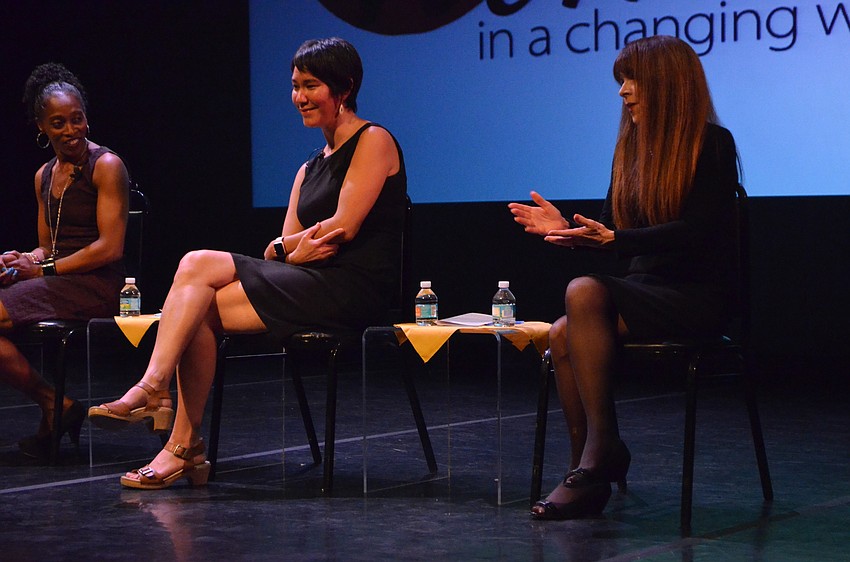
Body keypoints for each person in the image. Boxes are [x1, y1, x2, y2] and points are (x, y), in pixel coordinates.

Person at [88, 37, 408, 489]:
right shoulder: (308, 168)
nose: (299, 96)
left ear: (345, 87)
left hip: (352, 289)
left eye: (311, 85)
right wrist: (289, 250)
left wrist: (287, 248)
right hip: (306, 281)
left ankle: (153, 390)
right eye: (295, 86)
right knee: (195, 310)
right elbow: (277, 248)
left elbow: (342, 229)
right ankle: (183, 445)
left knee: (197, 263)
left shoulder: (373, 140)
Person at [508, 35, 740, 520]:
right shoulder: (630, 152)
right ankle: (586, 468)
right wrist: (570, 230)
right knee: (562, 332)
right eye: (621, 82)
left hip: (695, 296)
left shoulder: (712, 143)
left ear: (667, 85)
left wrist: (614, 240)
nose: (623, 92)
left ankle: (600, 455)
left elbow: (698, 232)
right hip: (645, 291)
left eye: (632, 81)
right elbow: (613, 233)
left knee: (583, 292)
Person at [1, 63, 130, 459]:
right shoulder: (43, 175)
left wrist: (41, 269)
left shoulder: (106, 165)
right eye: (59, 123)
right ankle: (55, 404)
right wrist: (24, 259)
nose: (71, 130)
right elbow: (47, 246)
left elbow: (111, 248)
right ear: (41, 127)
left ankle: (54, 406)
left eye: (77, 119)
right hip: (58, 280)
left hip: (101, 286)